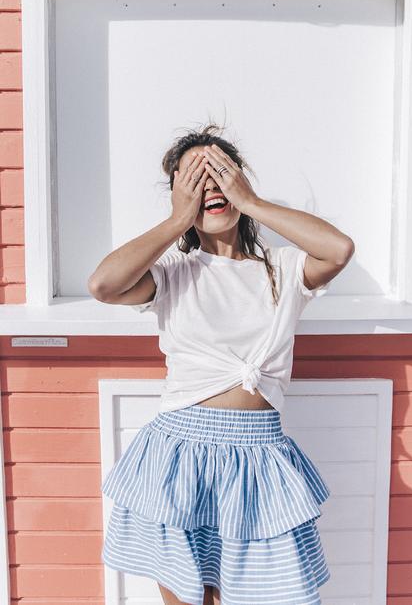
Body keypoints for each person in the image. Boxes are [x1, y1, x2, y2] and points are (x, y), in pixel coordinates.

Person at [89, 123, 354, 605]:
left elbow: (339, 250)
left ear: (240, 180)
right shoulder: (172, 273)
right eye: (194, 180)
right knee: (192, 597)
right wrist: (176, 221)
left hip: (258, 458)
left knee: (274, 593)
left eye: (220, 174)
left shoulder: (283, 269)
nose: (210, 187)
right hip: (180, 454)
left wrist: (251, 202)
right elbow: (103, 285)